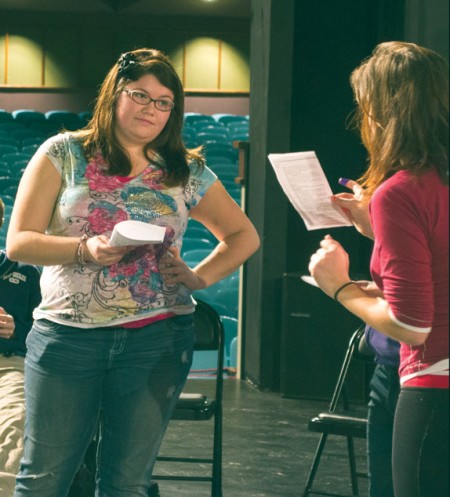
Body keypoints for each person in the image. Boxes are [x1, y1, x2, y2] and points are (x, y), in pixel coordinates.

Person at [6, 47, 260, 497]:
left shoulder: (185, 170)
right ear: (114, 95)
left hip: (157, 339)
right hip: (68, 336)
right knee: (43, 479)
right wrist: (85, 249)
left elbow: (243, 235)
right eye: (141, 95)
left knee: (127, 483)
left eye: (164, 102)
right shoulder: (64, 153)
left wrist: (198, 277)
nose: (152, 109)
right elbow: (19, 241)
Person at [308, 41, 448, 497]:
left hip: (435, 379)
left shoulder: (401, 191)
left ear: (385, 114)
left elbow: (412, 325)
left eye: (365, 108)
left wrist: (341, 288)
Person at [0, 197, 41, 496]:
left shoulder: (26, 272)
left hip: (9, 364)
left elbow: (44, 335)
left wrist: (17, 330)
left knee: (14, 424)